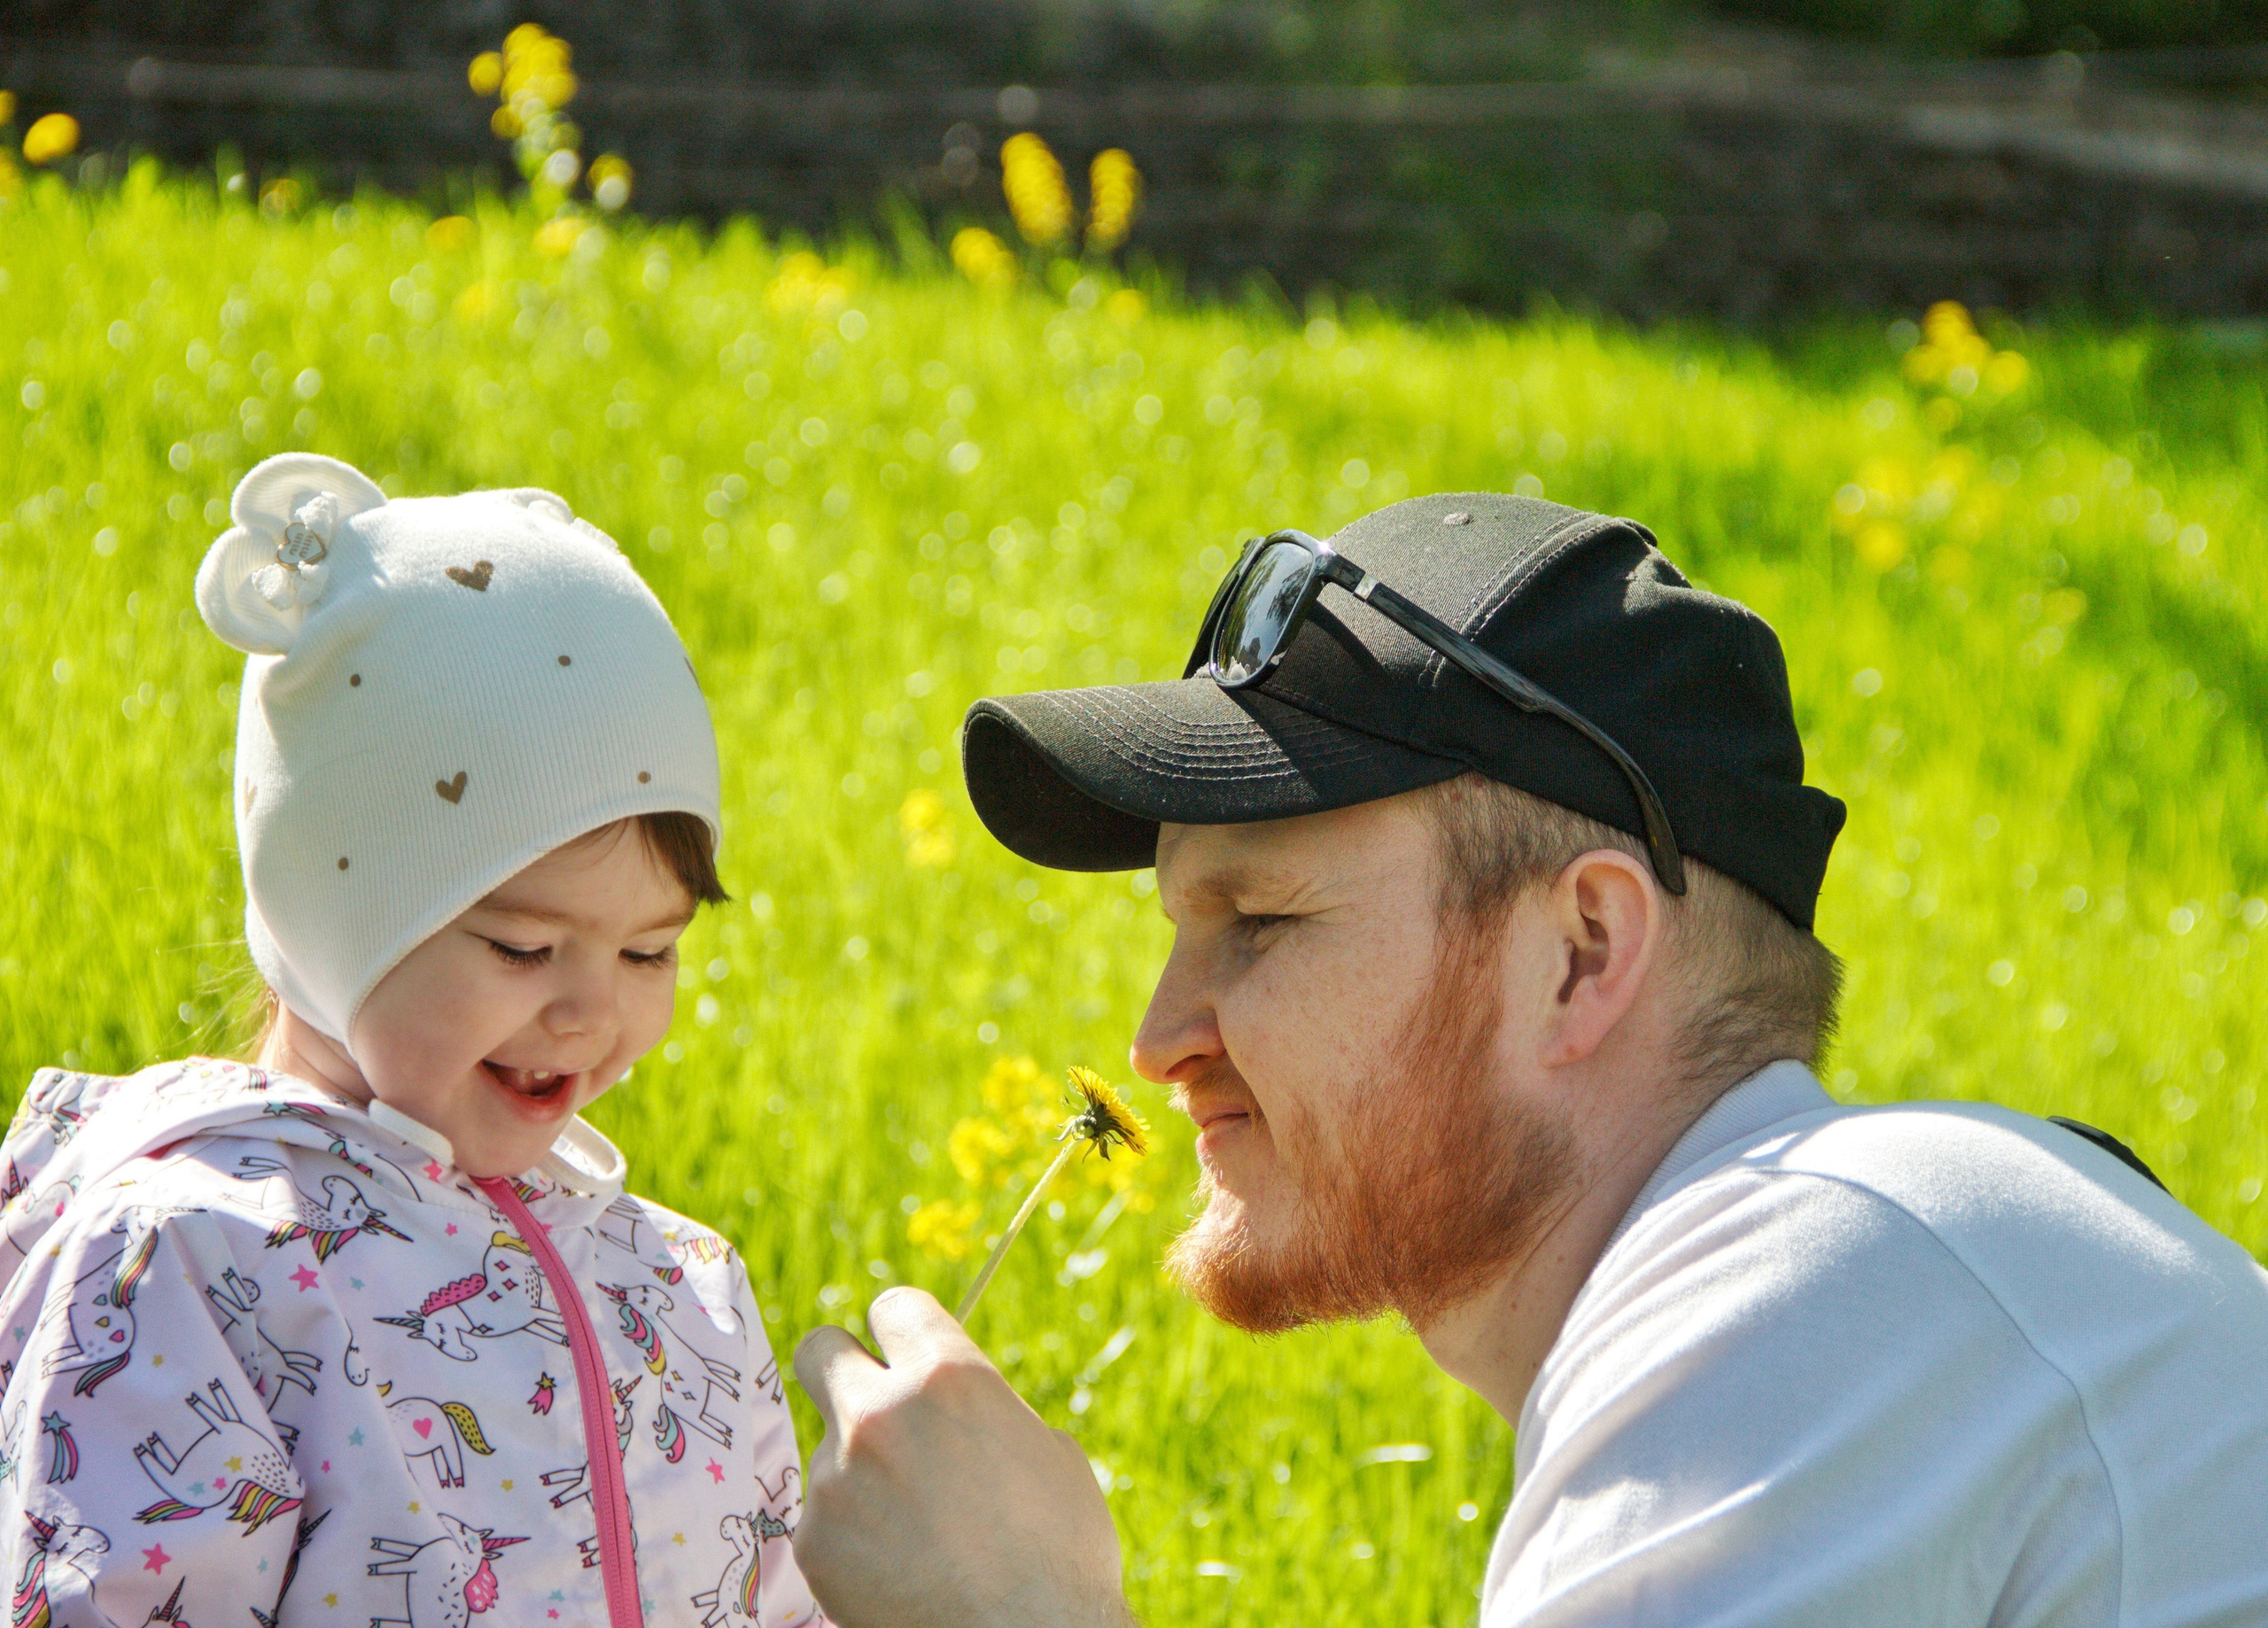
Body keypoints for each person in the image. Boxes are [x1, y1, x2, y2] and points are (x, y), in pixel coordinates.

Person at [791, 491, 2268, 1627]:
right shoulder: (1908, 1267)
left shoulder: (1810, 1282)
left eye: (1262, 919)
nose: (1160, 1037)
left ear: (1582, 951)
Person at [0, 454, 819, 1626]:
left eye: (649, 952)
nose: (592, 1013)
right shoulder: (198, 1262)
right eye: (524, 947)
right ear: (334, 913)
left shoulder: (681, 1287)